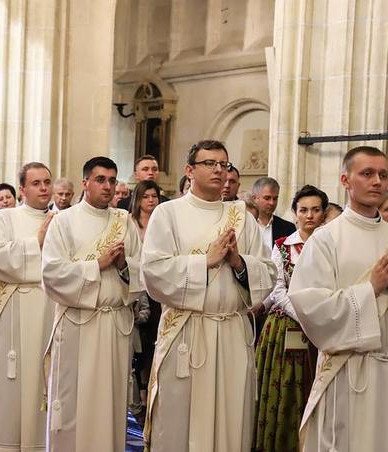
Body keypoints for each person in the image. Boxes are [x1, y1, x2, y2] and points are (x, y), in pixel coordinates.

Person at [288, 146, 388, 452]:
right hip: (349, 372)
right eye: (367, 173)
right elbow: (310, 306)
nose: (377, 181)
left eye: (383, 174)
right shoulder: (326, 239)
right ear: (345, 179)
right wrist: (370, 288)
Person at [141, 139, 276, 452]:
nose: (219, 170)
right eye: (210, 163)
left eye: (224, 164)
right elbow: (153, 272)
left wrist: (239, 263)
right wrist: (206, 261)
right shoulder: (168, 214)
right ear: (190, 170)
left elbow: (269, 272)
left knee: (232, 418)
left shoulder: (242, 217)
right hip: (187, 331)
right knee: (180, 420)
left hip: (231, 332)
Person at [42, 156, 143, 452]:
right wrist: (96, 265)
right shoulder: (64, 221)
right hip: (78, 322)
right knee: (75, 396)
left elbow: (143, 270)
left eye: (112, 180)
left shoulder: (124, 222)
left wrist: (124, 267)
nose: (108, 186)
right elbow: (51, 273)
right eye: (101, 180)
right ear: (85, 183)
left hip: (114, 324)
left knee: (109, 400)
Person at [0, 162, 55, 452]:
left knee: (44, 378)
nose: (44, 188)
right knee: (11, 377)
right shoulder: (5, 218)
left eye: (47, 182)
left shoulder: (61, 219)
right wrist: (37, 242)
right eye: (36, 183)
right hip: (15, 308)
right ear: (22, 189)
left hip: (51, 310)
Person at [254, 184, 328, 452]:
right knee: (285, 390)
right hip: (287, 326)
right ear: (295, 214)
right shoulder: (283, 246)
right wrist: (304, 316)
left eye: (316, 210)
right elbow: (277, 289)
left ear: (323, 214)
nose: (309, 215)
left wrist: (320, 318)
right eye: (303, 210)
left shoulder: (330, 245)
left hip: (324, 327)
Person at [129, 179, 162, 425]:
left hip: (157, 290)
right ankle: (137, 397)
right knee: (136, 347)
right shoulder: (130, 223)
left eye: (154, 196)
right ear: (138, 199)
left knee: (152, 343)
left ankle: (151, 393)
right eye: (146, 196)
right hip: (135, 287)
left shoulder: (162, 223)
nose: (151, 201)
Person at [251, 177, 296, 251]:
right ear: (254, 198)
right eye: (267, 198)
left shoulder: (288, 228)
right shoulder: (245, 225)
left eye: (275, 198)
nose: (272, 203)